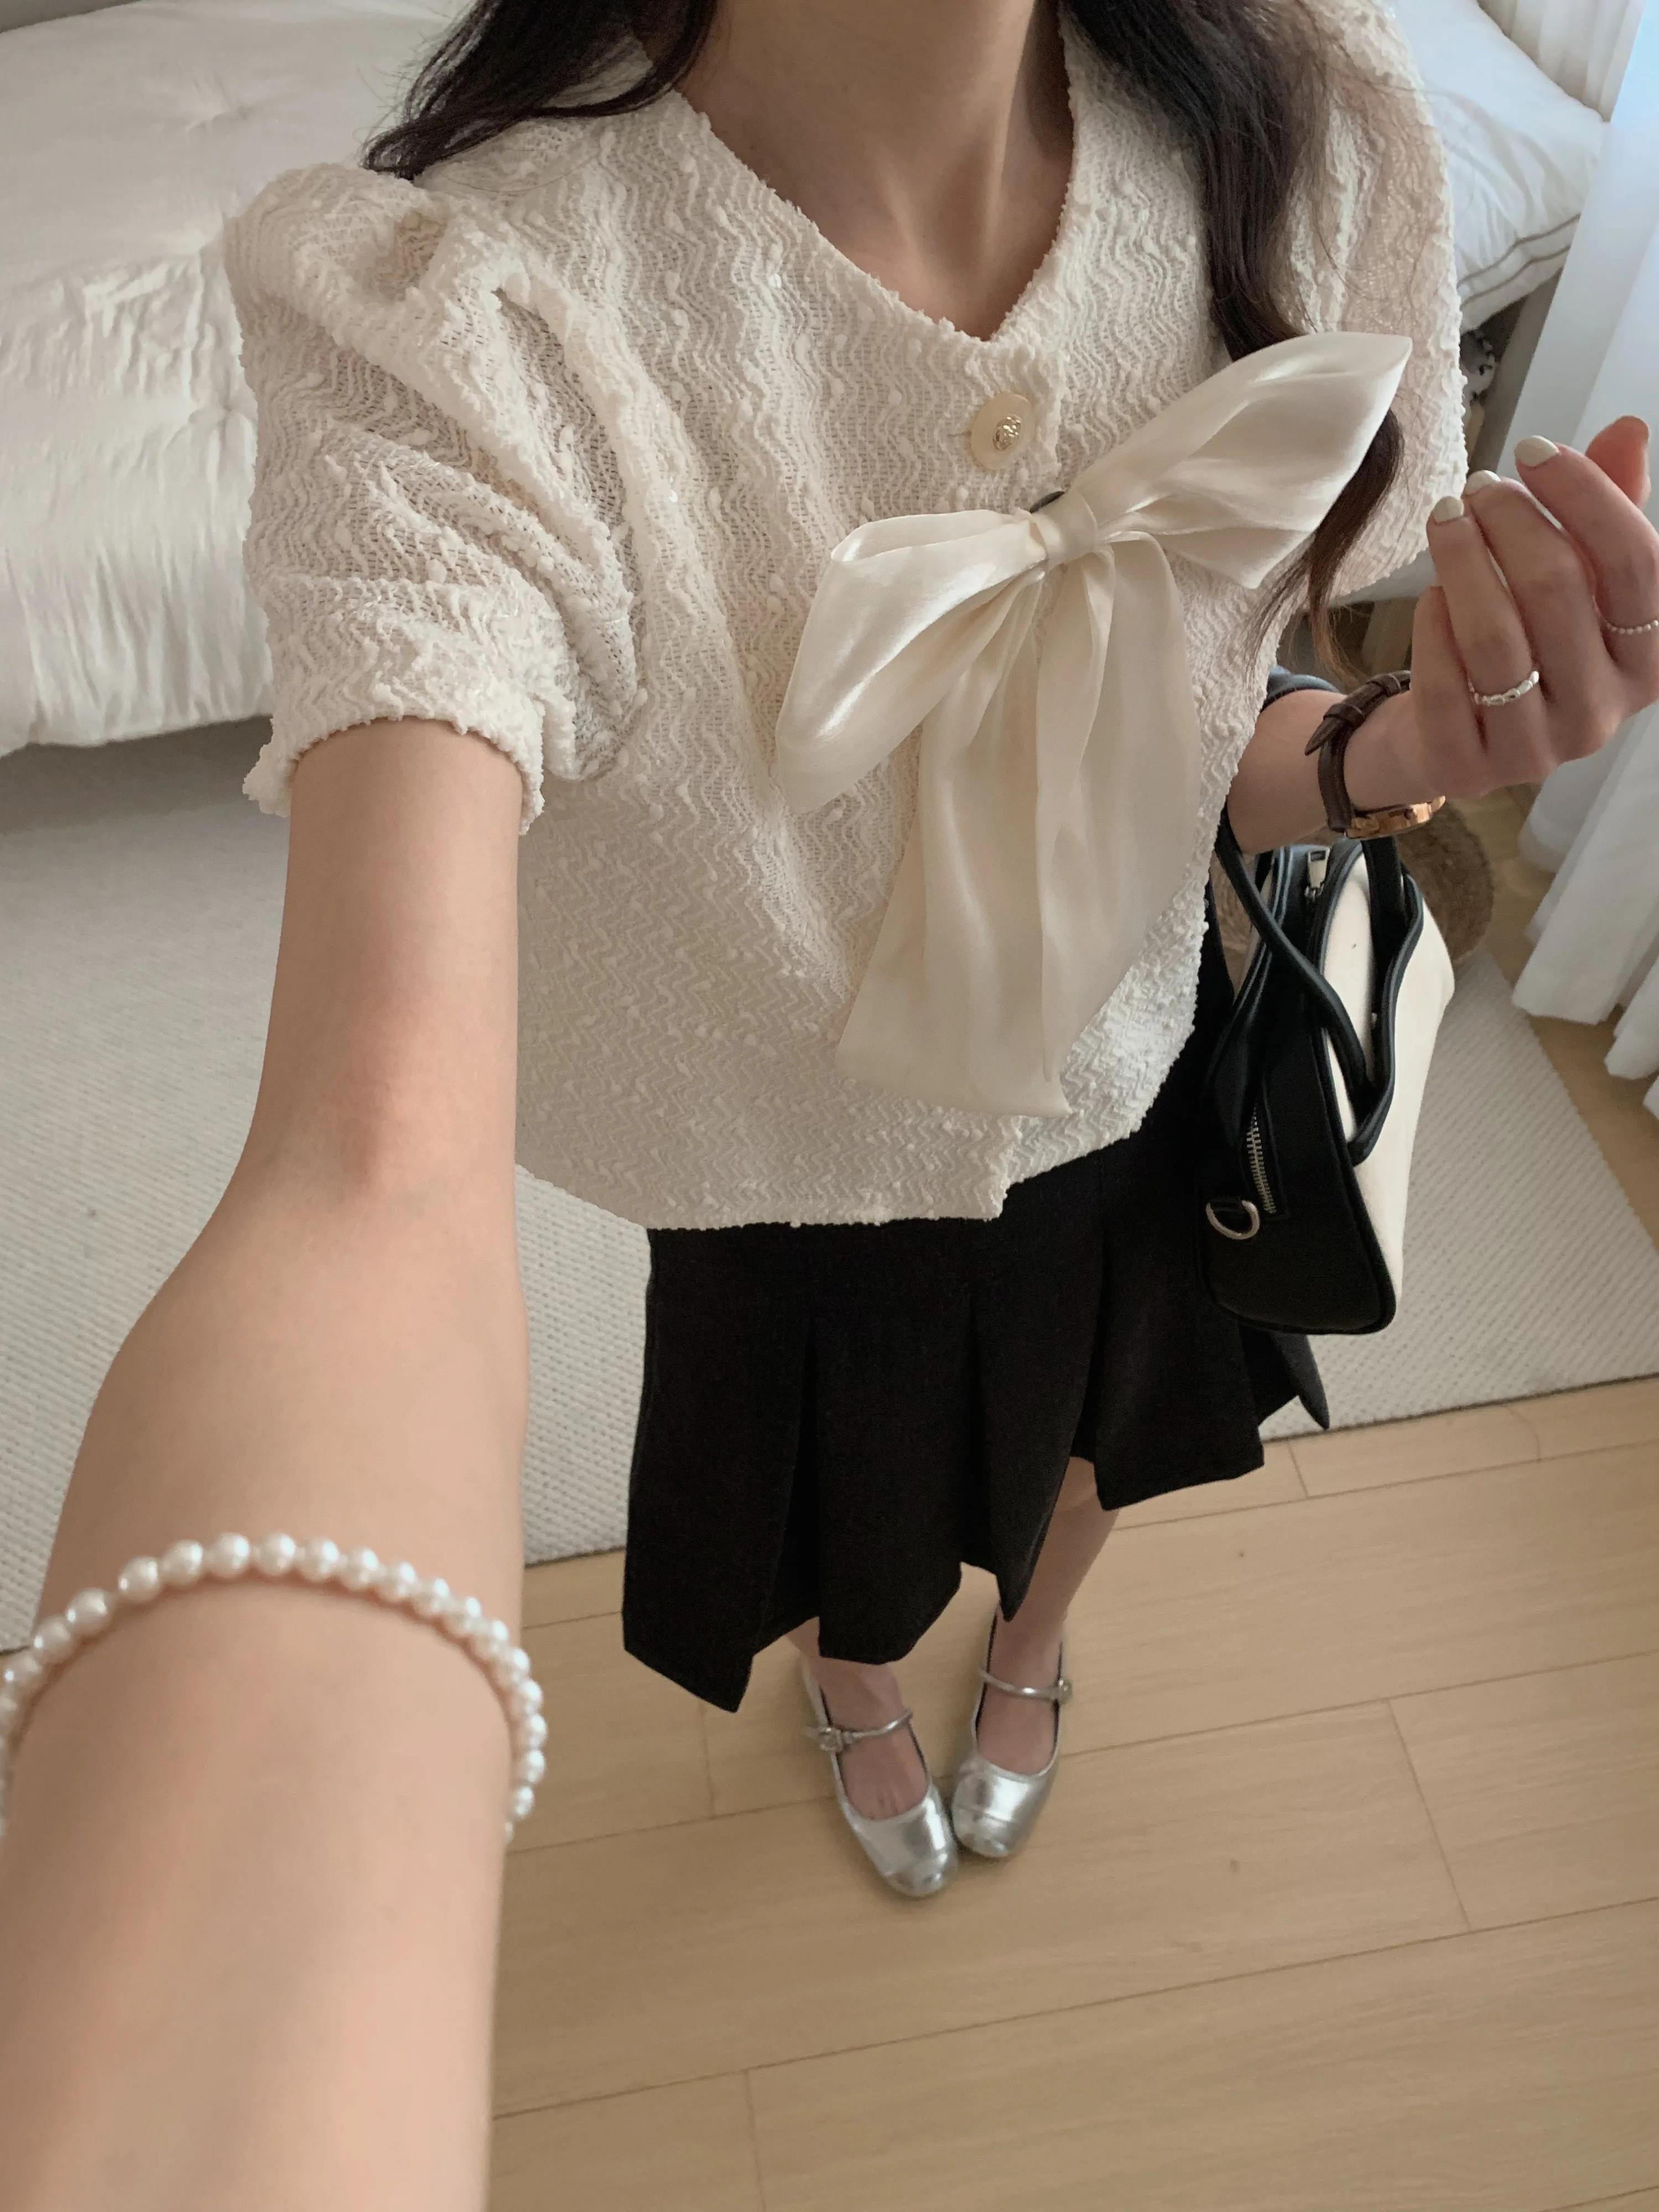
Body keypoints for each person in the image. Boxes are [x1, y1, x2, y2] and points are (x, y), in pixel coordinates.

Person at [1, 0, 1653, 2201]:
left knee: (1118, 1428)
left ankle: (1034, 1654)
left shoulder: (1312, 125)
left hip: (1147, 1068)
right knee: (846, 1518)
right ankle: (867, 1681)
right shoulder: (462, 320)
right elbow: (365, 1173)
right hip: (793, 1167)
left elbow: (1208, 749)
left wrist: (1414, 752)